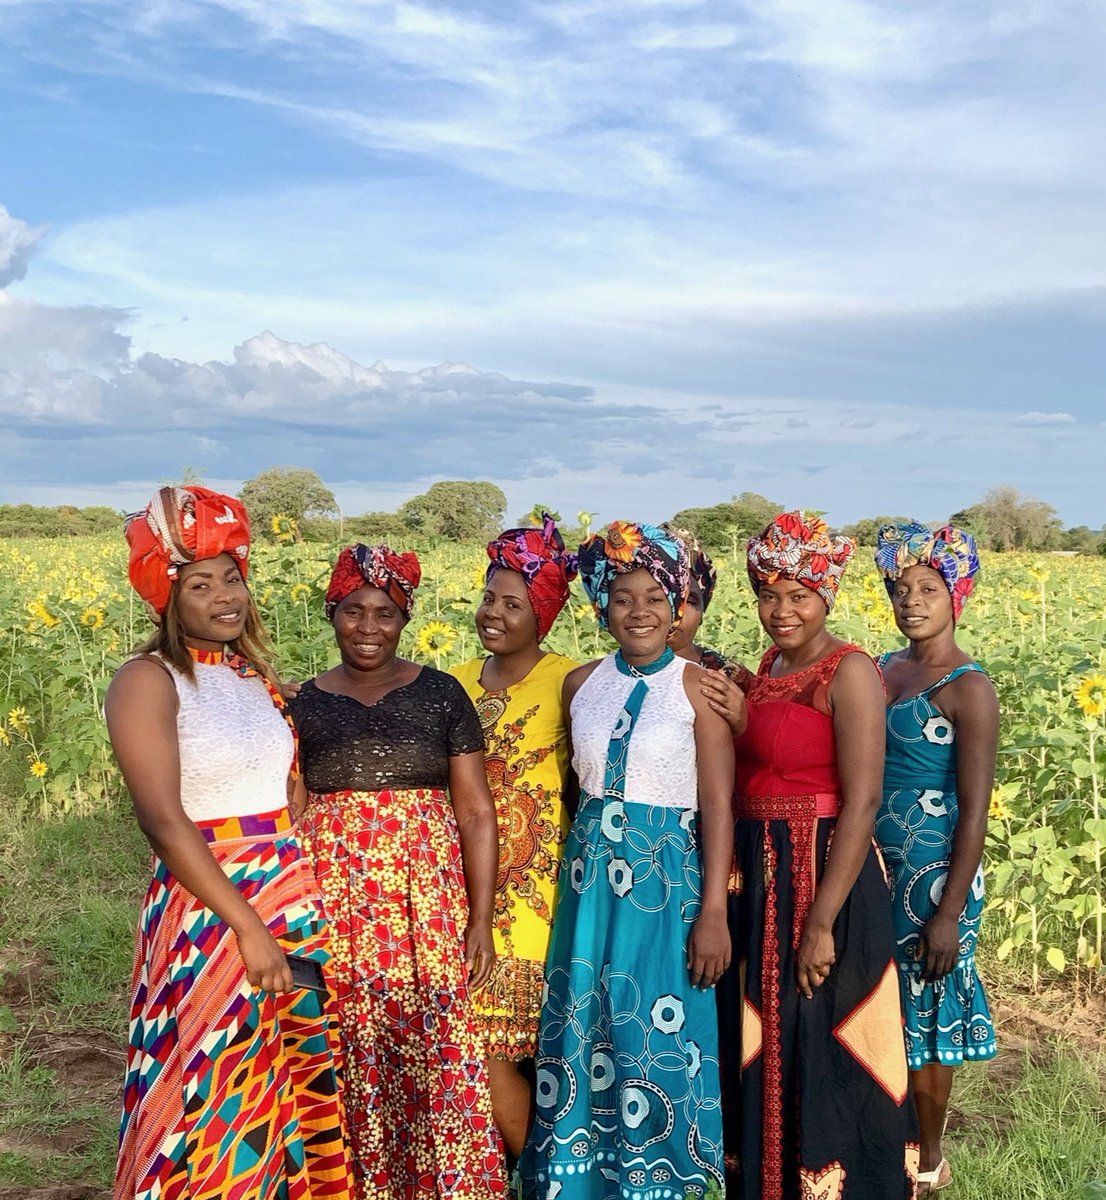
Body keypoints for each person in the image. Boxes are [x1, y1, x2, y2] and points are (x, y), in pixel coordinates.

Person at [106, 486, 353, 1200]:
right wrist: (246, 926)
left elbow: (283, 796)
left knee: (289, 1092)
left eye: (232, 578)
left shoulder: (254, 680)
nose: (225, 597)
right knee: (216, 1091)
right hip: (212, 912)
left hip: (287, 901)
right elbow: (163, 820)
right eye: (201, 584)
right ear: (167, 595)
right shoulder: (147, 681)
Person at [520, 521, 735, 1199]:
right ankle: (579, 1181)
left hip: (665, 879)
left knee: (655, 1032)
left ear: (678, 607)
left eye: (653, 596)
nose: (638, 610)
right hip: (588, 883)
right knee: (584, 1024)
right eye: (622, 597)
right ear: (601, 607)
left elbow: (718, 807)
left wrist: (714, 915)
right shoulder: (580, 682)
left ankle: (663, 1178)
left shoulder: (701, 686)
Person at [710, 510, 918, 1200]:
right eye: (768, 595)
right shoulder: (768, 667)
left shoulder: (849, 671)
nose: (781, 611)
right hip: (760, 877)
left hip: (827, 873)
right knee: (766, 1039)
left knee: (833, 1042)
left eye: (798, 595)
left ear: (827, 596)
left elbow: (861, 802)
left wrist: (823, 920)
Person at [288, 543, 506, 1200]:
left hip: (426, 905)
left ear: (404, 617)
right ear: (333, 613)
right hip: (338, 901)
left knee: (430, 1036)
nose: (369, 628)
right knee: (348, 1041)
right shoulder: (303, 702)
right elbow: (292, 808)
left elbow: (475, 815)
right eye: (354, 611)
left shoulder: (440, 694)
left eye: (385, 613)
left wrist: (481, 919)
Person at [449, 515, 580, 1160]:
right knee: (480, 1059)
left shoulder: (570, 680)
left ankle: (543, 1177)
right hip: (463, 888)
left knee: (513, 1058)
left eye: (513, 604)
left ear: (545, 612)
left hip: (535, 893)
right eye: (488, 599)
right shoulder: (455, 680)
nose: (493, 614)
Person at [874, 522, 999, 1196]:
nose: (912, 600)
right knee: (885, 1005)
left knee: (926, 1012)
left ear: (957, 596)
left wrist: (949, 910)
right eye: (901, 589)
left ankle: (927, 1161)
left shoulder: (968, 686)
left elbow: (975, 809)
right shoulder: (885, 668)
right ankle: (887, 1141)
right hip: (880, 866)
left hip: (935, 876)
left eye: (928, 589)